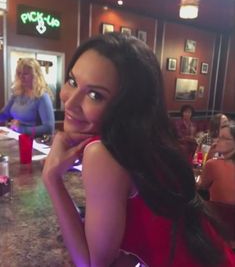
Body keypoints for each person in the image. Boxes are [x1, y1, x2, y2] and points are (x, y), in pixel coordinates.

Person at [42, 33, 235, 266]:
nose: (70, 102)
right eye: (72, 81)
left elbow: (92, 263)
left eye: (95, 95)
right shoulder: (145, 141)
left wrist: (51, 178)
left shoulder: (101, 153)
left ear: (127, 107)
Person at [0, 58, 55, 137]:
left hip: (32, 143)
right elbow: (5, 114)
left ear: (35, 75)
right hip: (16, 139)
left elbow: (49, 128)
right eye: (19, 73)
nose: (21, 77)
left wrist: (22, 129)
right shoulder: (17, 94)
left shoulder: (42, 97)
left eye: (25, 74)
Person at [199, 120, 235, 204]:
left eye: (225, 138)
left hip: (219, 214)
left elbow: (201, 186)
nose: (218, 140)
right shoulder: (206, 139)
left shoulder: (213, 164)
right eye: (219, 137)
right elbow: (199, 159)